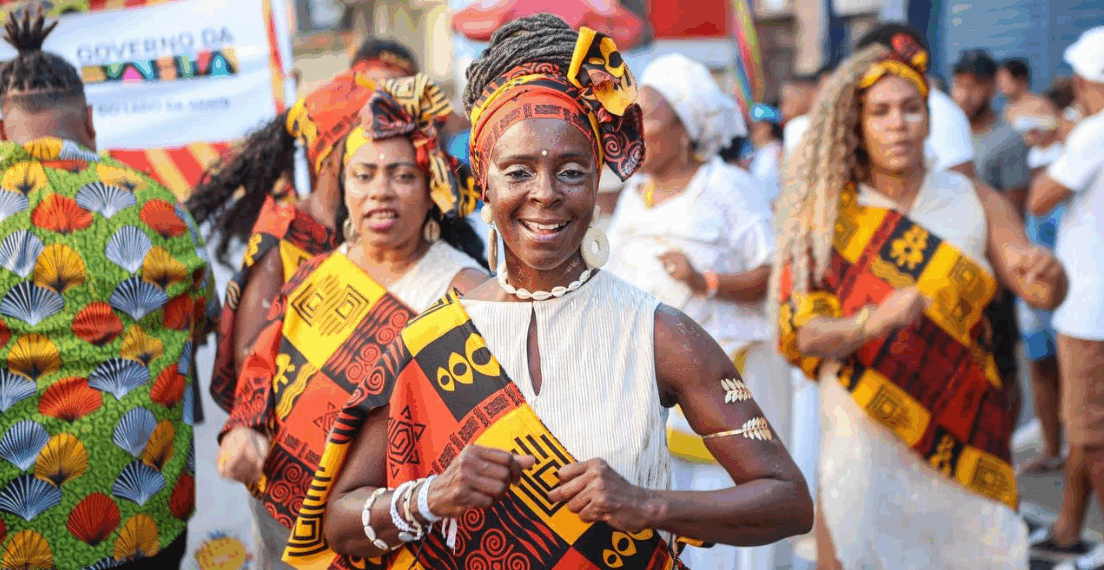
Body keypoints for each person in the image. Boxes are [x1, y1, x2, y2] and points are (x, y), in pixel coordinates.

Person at [281, 15, 813, 570]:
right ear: (482, 179)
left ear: (598, 176)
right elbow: (337, 523)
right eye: (517, 172)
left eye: (571, 171)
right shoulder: (431, 337)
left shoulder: (658, 333)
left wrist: (647, 504)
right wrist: (434, 495)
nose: (545, 194)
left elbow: (788, 501)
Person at [774, 33, 1068, 570]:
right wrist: (871, 322)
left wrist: (1048, 273)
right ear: (856, 126)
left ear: (930, 119)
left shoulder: (975, 199)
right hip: (864, 433)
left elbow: (1038, 286)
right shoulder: (824, 217)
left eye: (911, 108)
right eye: (880, 111)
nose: (897, 123)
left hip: (968, 426)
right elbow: (800, 333)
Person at [214, 73, 487, 569]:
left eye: (402, 175)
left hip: (388, 534)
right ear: (343, 184)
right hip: (280, 522)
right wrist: (245, 426)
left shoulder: (463, 290)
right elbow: (261, 361)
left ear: (433, 190)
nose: (379, 192)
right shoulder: (320, 270)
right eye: (363, 175)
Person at [0, 10, 216, 569]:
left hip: (15, 527)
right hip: (143, 514)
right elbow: (202, 324)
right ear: (89, 121)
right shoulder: (160, 206)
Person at [600, 53, 791, 570]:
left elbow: (774, 272)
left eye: (649, 115)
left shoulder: (727, 186)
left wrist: (706, 281)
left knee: (728, 521)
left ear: (686, 126)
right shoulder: (635, 195)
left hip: (725, 381)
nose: (631, 126)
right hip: (650, 393)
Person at [187, 39, 420, 414]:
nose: (380, 161)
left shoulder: (391, 222)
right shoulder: (285, 233)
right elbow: (249, 357)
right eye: (366, 146)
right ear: (328, 156)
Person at [1027, 26, 1104, 570]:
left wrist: (1063, 140)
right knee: (1086, 430)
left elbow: (1039, 199)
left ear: (1084, 81)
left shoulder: (1094, 133)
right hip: (1092, 308)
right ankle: (1068, 528)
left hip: (1090, 312)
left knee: (1092, 436)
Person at [949, 48, 1029, 428]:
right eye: (959, 84)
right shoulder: (945, 132)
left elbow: (1014, 214)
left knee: (1003, 369)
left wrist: (1000, 276)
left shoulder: (1007, 140)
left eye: (974, 85)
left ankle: (1006, 452)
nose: (965, 94)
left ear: (991, 87)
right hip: (948, 272)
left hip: (993, 277)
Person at [1012, 79, 1075, 479]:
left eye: (1040, 120)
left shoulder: (1078, 151)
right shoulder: (1030, 157)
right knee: (1041, 369)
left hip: (1072, 286)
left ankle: (1078, 454)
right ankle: (1053, 449)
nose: (1031, 130)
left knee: (1076, 374)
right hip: (1032, 288)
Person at [997, 58, 1056, 129]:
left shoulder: (1039, 103)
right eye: (999, 82)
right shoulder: (1006, 110)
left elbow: (1056, 126)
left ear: (1020, 79)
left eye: (1004, 82)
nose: (1001, 86)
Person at [747, 102, 786, 204]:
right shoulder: (757, 153)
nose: (751, 131)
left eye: (755, 126)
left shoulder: (779, 152)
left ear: (767, 127)